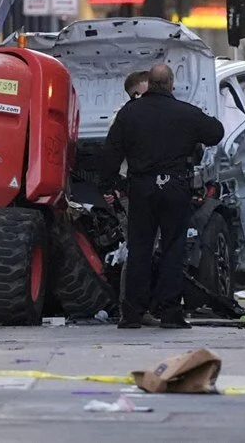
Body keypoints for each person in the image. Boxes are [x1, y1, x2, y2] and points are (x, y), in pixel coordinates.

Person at [99, 64, 224, 329]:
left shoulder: (128, 113)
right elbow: (216, 132)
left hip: (141, 188)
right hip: (175, 187)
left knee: (139, 249)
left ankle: (132, 313)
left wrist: (110, 185)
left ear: (149, 84)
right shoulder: (185, 113)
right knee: (173, 248)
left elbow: (110, 154)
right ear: (170, 85)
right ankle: (170, 313)